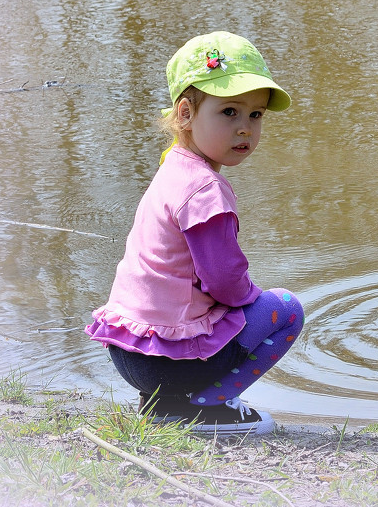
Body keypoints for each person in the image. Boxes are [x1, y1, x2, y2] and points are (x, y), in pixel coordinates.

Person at [86, 31, 304, 436]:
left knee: (211, 306)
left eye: (256, 115)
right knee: (285, 309)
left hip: (131, 352)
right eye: (229, 113)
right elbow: (225, 282)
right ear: (185, 114)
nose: (245, 129)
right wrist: (251, 304)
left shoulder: (172, 167)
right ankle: (205, 408)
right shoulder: (205, 190)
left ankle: (161, 406)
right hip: (170, 364)